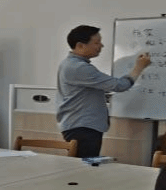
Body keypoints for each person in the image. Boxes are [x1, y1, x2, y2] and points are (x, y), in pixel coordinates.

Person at [56, 25, 152, 158]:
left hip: (80, 126)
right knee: (84, 166)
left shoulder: (71, 64)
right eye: (96, 42)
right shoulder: (78, 67)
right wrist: (138, 68)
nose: (101, 46)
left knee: (85, 165)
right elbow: (119, 86)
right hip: (82, 127)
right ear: (80, 45)